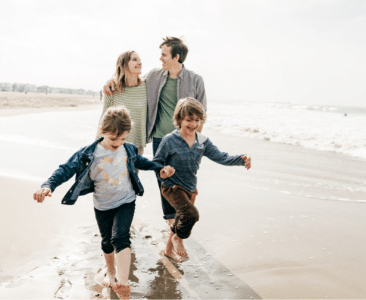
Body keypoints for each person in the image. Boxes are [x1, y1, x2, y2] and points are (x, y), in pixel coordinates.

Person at [33, 106, 175, 300]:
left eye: (123, 138)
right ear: (103, 131)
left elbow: (142, 162)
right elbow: (65, 169)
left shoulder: (128, 149)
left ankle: (123, 283)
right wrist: (48, 185)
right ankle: (110, 271)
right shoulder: (88, 154)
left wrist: (160, 169)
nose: (118, 143)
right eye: (113, 139)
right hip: (103, 205)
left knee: (121, 237)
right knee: (107, 242)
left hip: (126, 201)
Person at [104, 37, 207, 262]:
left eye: (164, 55)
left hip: (185, 140)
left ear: (176, 57)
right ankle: (173, 230)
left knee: (186, 185)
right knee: (166, 183)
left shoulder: (195, 80)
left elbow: (203, 112)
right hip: (161, 139)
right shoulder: (154, 77)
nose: (159, 58)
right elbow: (129, 81)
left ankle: (176, 232)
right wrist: (109, 82)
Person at [153, 97, 251, 260]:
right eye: (189, 120)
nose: (193, 124)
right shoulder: (169, 140)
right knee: (191, 214)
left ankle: (168, 251)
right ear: (179, 120)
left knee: (181, 218)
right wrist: (163, 173)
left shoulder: (202, 141)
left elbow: (221, 157)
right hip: (171, 186)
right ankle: (178, 239)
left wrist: (241, 159)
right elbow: (156, 163)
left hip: (190, 188)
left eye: (197, 120)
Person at [99, 50, 147, 156]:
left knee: (133, 173)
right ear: (124, 64)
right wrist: (96, 145)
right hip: (114, 144)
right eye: (134, 60)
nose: (139, 63)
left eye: (140, 60)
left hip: (136, 146)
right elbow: (104, 118)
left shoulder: (146, 87)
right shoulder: (113, 88)